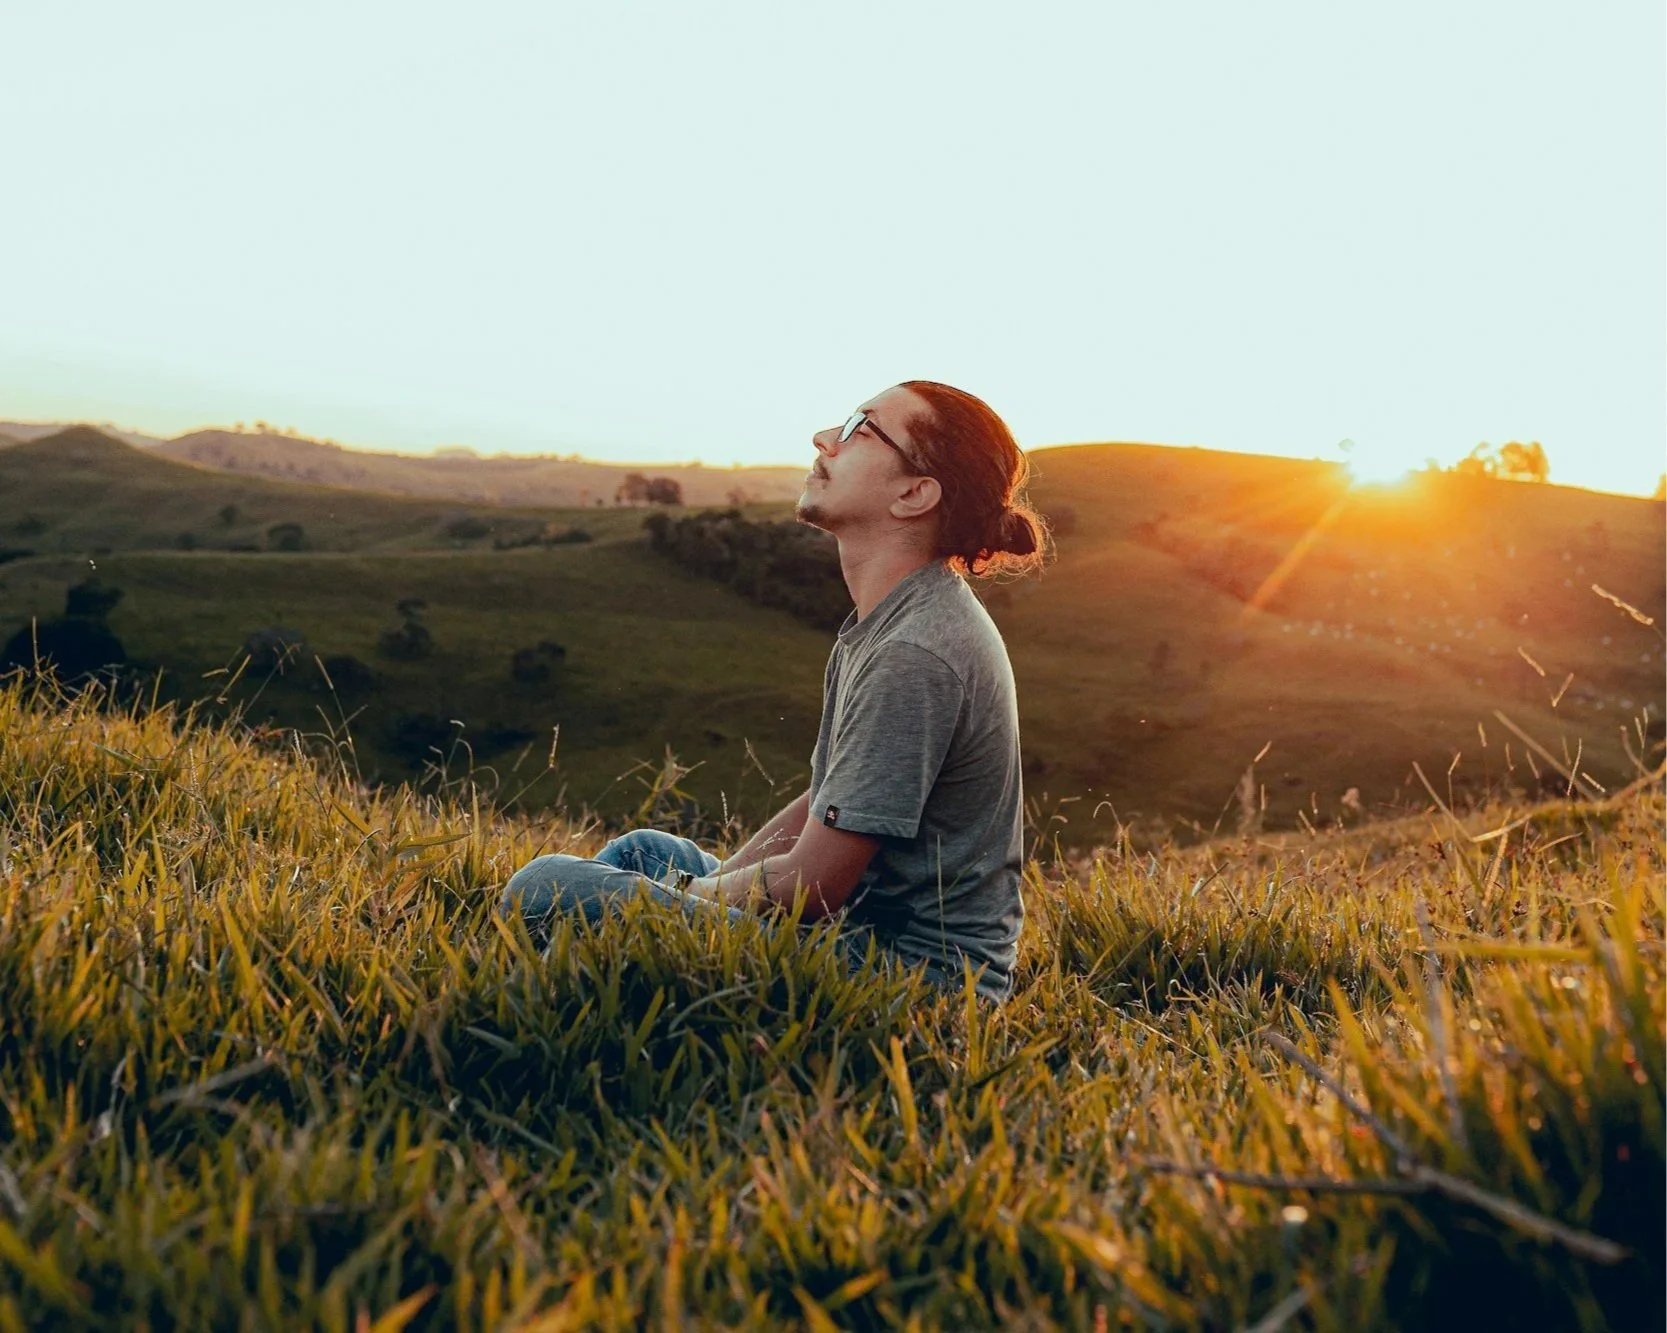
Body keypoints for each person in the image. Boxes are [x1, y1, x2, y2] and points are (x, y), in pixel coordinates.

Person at [499, 381, 1046, 1001]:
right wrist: (705, 891)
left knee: (545, 885)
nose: (824, 439)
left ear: (914, 494)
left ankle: (570, 989)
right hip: (859, 938)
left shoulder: (913, 652)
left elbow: (811, 888)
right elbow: (830, 799)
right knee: (645, 852)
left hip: (915, 982)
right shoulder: (901, 617)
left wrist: (690, 899)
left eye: (859, 428)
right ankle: (581, 984)